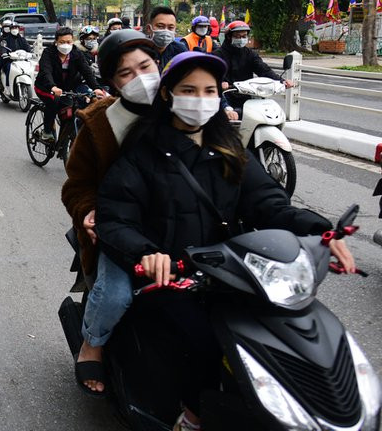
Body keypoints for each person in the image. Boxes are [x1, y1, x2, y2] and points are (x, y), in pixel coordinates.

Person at [94, 51, 355, 431]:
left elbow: (269, 203)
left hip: (233, 270)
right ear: (167, 94)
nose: (199, 99)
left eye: (209, 90)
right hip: (173, 277)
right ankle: (192, 415)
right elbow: (116, 219)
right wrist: (149, 253)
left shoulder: (231, 148)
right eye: (188, 90)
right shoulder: (142, 154)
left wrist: (320, 230)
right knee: (205, 342)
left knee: (282, 329)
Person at [60, 30, 161, 396]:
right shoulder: (99, 123)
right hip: (119, 232)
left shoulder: (182, 104)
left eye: (146, 67)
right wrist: (88, 211)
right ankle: (93, 343)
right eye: (126, 73)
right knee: (116, 294)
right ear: (112, 82)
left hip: (182, 227)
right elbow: (77, 185)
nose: (140, 79)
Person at [34, 28, 105, 142]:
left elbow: (86, 71)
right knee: (53, 102)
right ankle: (47, 131)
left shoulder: (76, 54)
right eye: (62, 42)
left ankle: (63, 141)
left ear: (73, 41)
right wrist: (52, 86)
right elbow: (45, 71)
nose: (66, 45)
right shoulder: (49, 53)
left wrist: (96, 88)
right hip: (46, 87)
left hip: (66, 89)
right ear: (56, 42)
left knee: (69, 112)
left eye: (69, 42)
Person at [216, 20, 295, 93]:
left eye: (244, 36)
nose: (241, 39)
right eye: (237, 36)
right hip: (224, 96)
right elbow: (209, 75)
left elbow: (263, 70)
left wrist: (281, 81)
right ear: (229, 37)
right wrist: (220, 83)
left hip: (247, 94)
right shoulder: (218, 55)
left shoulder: (250, 54)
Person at [146, 6, 187, 71]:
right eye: (160, 26)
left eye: (170, 28)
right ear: (149, 28)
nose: (166, 31)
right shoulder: (141, 51)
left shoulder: (180, 50)